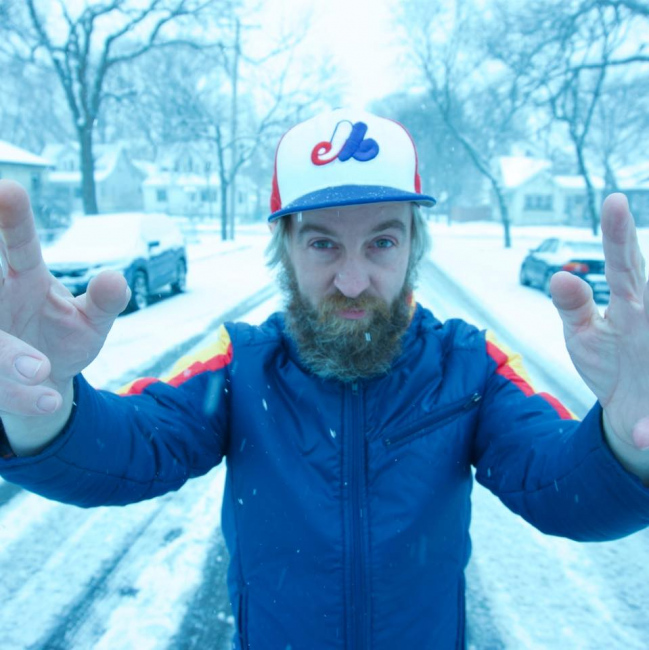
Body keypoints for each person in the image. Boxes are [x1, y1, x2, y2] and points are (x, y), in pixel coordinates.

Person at [1, 108, 648, 649]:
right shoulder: (238, 364)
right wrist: (42, 402)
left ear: (413, 245)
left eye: (381, 242)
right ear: (284, 248)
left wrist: (626, 438)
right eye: (322, 244)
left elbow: (560, 486)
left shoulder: (470, 363)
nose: (352, 280)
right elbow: (134, 447)